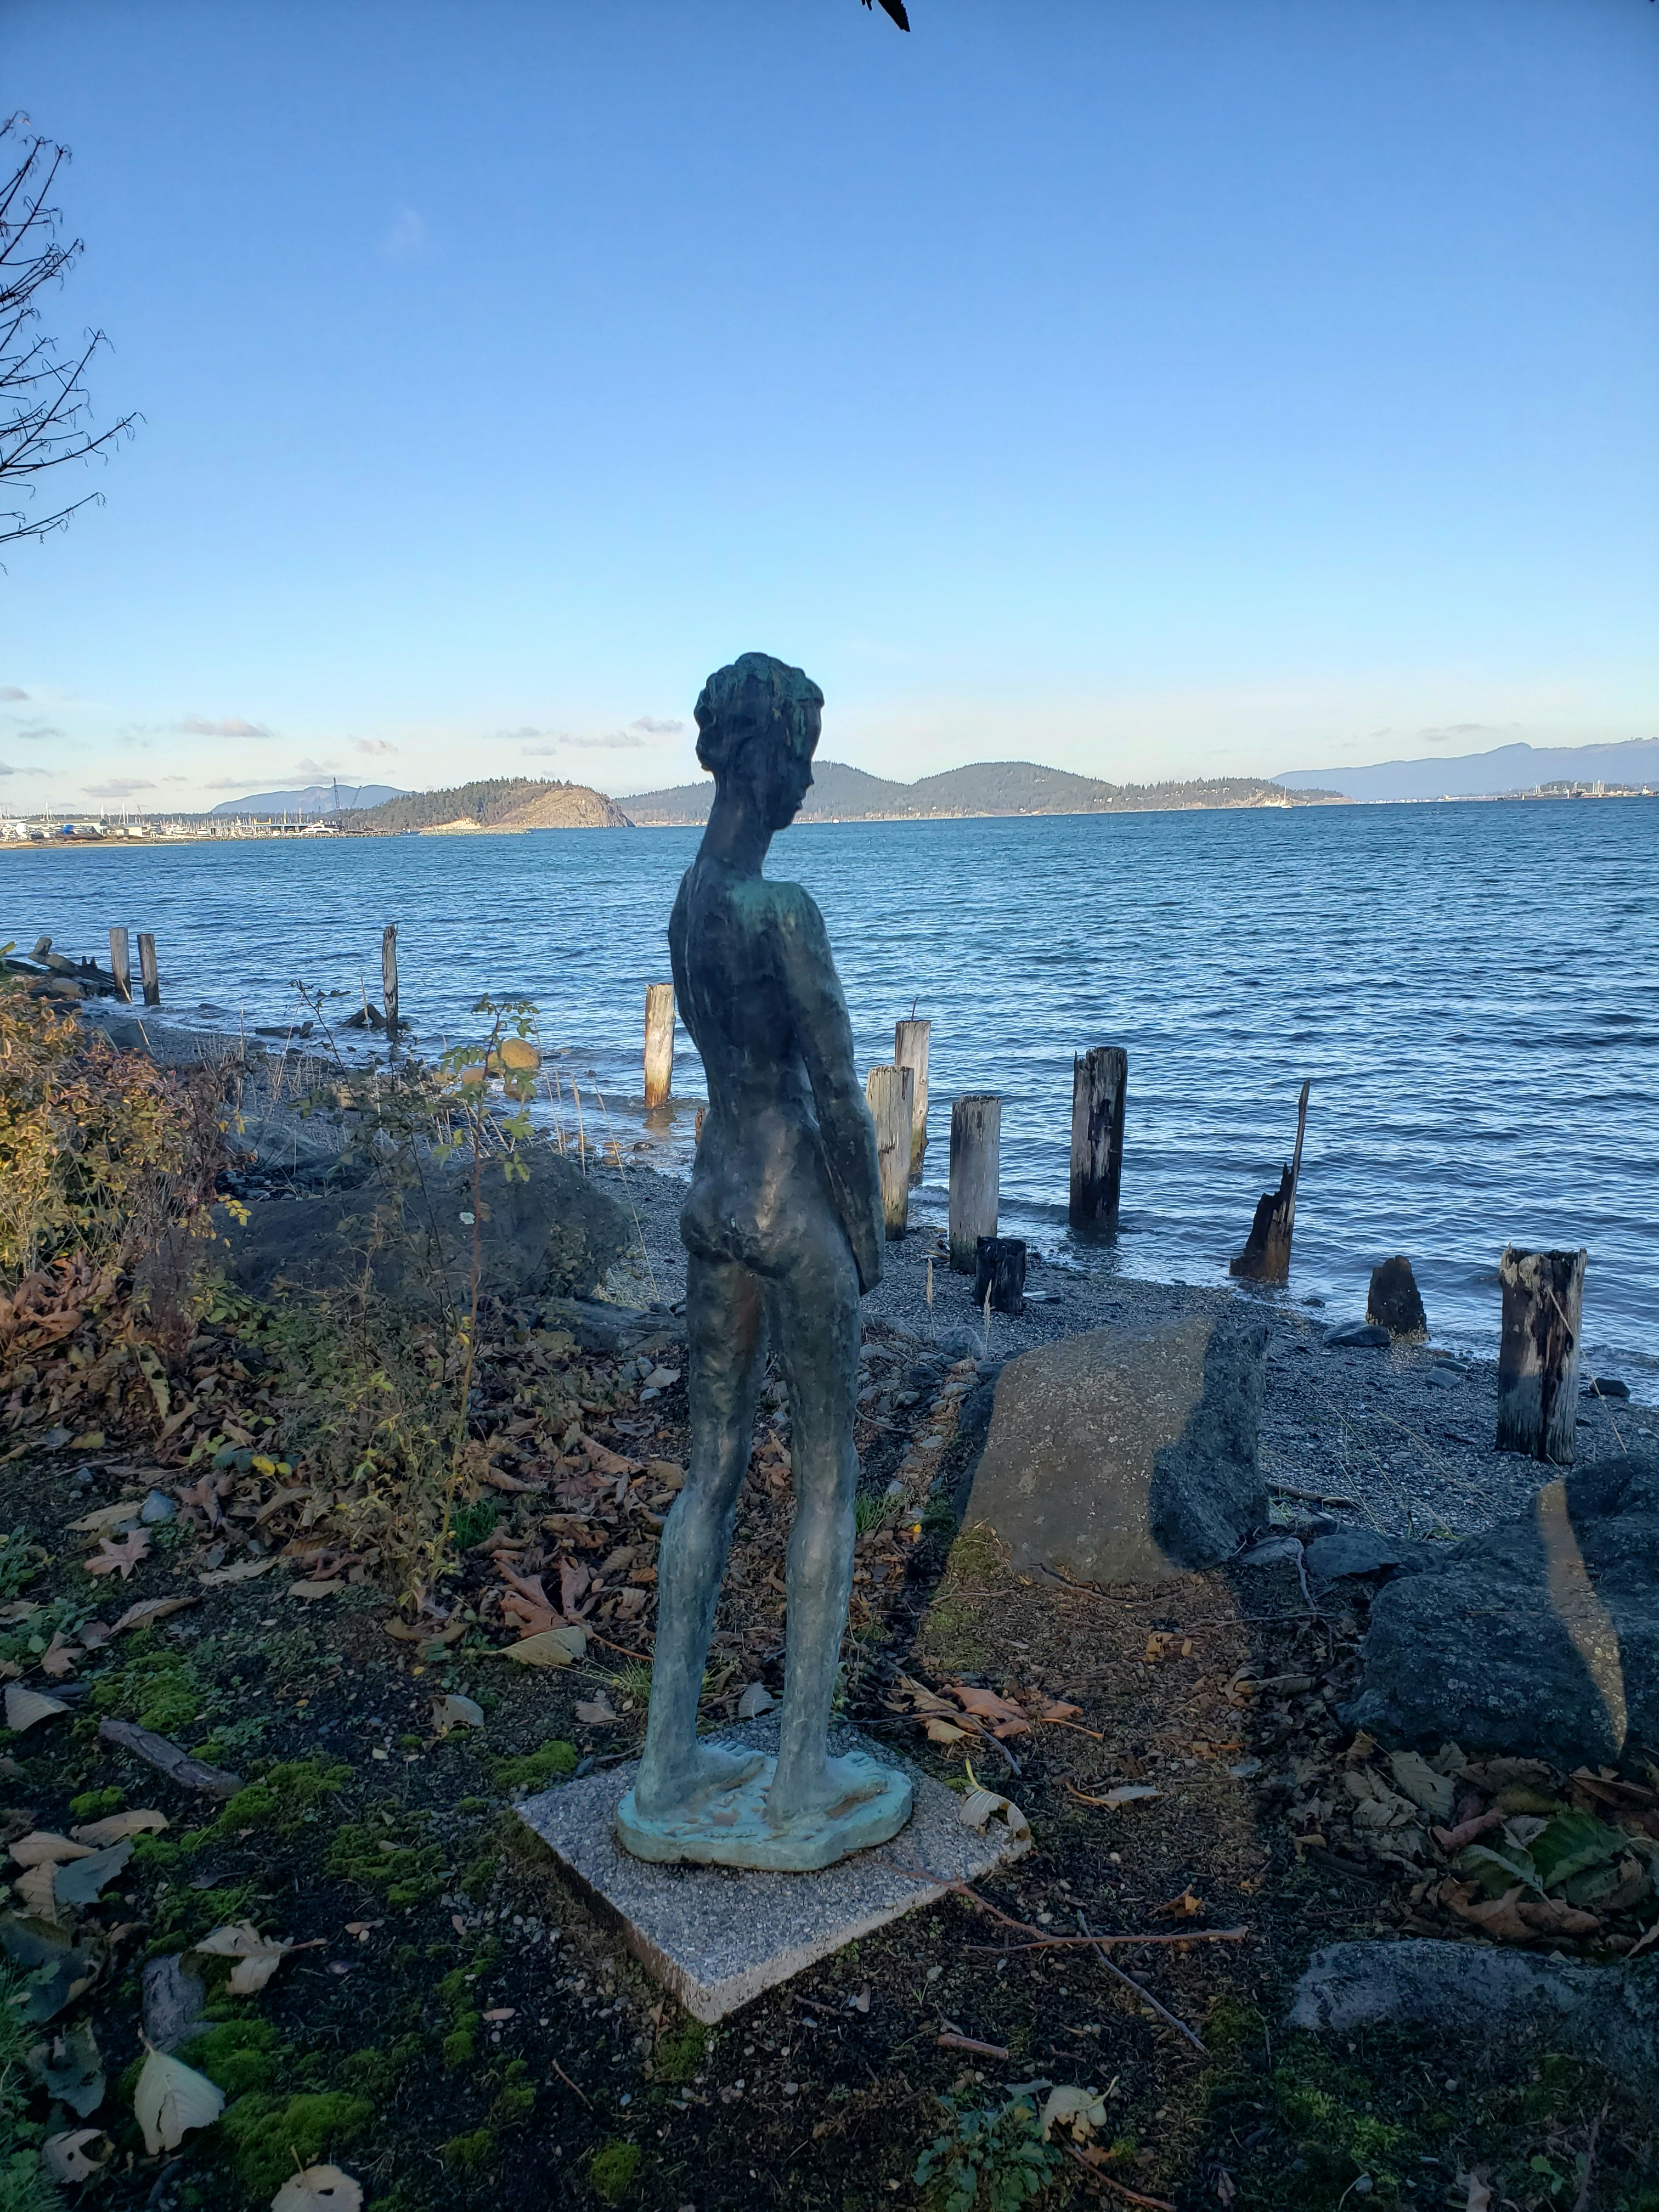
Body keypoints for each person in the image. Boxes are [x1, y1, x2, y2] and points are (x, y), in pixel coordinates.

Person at [618, 651, 910, 1867]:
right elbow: (840, 1094)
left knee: (711, 1475)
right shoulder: (783, 915)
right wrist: (873, 1230)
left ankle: (667, 1756)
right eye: (801, 761)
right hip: (795, 1210)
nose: (804, 788)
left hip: (712, 1202)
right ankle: (798, 1776)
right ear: (769, 758)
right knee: (828, 1480)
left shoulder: (690, 900)